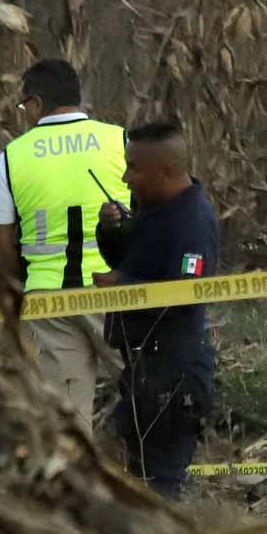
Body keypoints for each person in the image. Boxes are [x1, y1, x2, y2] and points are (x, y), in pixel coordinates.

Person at [0, 58, 129, 420]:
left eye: (24, 106)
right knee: (147, 392)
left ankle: (77, 477)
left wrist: (22, 284)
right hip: (118, 290)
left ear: (36, 103)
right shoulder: (119, 139)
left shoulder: (11, 158)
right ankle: (153, 474)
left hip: (48, 300)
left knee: (65, 417)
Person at [94, 120, 220, 498]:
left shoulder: (191, 222)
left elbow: (183, 294)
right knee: (131, 480)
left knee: (159, 488)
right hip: (144, 369)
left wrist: (123, 288)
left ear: (165, 172)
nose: (126, 177)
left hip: (173, 374)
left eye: (135, 168)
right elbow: (135, 260)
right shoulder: (153, 208)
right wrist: (112, 232)